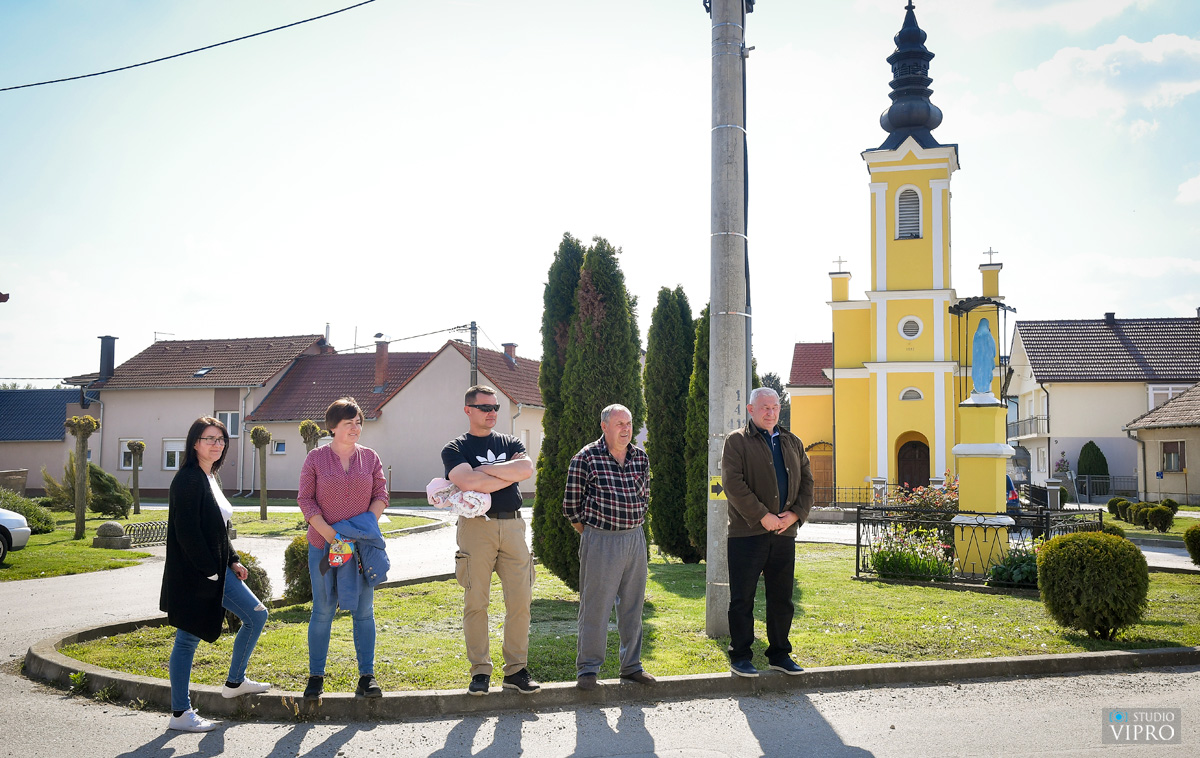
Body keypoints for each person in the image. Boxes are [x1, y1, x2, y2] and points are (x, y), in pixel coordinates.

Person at [160, 416, 270, 732]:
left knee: (256, 615)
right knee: (186, 639)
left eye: (221, 439)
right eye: (210, 438)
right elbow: (186, 531)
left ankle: (235, 681)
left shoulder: (210, 478)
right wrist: (209, 571)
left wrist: (232, 560)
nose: (217, 444)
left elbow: (217, 529)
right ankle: (181, 713)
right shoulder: (189, 479)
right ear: (194, 443)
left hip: (217, 570)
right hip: (197, 574)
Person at [441, 385, 540, 696]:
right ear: (468, 409)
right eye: (485, 407)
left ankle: (516, 670)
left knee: (520, 601)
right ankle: (480, 671)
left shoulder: (510, 441)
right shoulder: (455, 448)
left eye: (495, 407)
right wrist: (504, 475)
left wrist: (485, 471)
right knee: (476, 602)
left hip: (513, 527)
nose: (492, 412)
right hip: (475, 528)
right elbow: (466, 481)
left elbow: (526, 469)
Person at [298, 397, 389, 701]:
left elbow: (381, 495)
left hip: (361, 550)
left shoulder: (371, 458)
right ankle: (315, 678)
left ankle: (367, 677)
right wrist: (333, 535)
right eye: (349, 422)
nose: (356, 427)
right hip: (324, 546)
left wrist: (358, 531)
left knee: (364, 611)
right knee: (323, 610)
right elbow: (306, 500)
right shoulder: (315, 459)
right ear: (333, 427)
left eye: (359, 422)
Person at [721, 386, 814, 678]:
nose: (770, 412)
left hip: (784, 533)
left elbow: (808, 482)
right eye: (764, 407)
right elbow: (733, 484)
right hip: (747, 533)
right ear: (750, 410)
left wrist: (796, 514)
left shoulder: (792, 441)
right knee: (742, 598)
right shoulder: (736, 442)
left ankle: (779, 654)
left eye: (774, 407)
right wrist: (762, 516)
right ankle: (741, 655)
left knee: (781, 597)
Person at [562, 403, 656, 690]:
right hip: (601, 539)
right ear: (604, 427)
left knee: (633, 607)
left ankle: (631, 667)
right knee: (596, 608)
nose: (626, 429)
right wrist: (593, 534)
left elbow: (645, 497)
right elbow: (571, 507)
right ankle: (588, 670)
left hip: (634, 539)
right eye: (619, 424)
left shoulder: (640, 458)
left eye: (629, 423)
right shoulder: (586, 458)